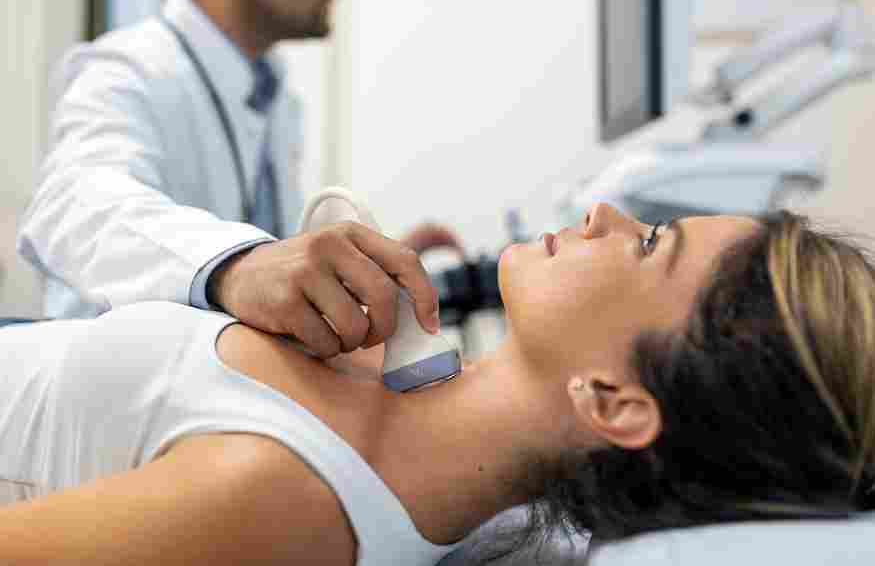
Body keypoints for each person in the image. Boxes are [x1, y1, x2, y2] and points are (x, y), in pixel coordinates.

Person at [2, 203, 874, 566]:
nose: (609, 216)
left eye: (649, 244)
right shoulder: (392, 374)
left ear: (612, 399)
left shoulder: (289, 493)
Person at [17, 0, 459, 359]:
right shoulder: (124, 69)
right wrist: (238, 265)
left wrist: (360, 277)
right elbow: (74, 204)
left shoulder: (278, 102)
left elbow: (278, 276)